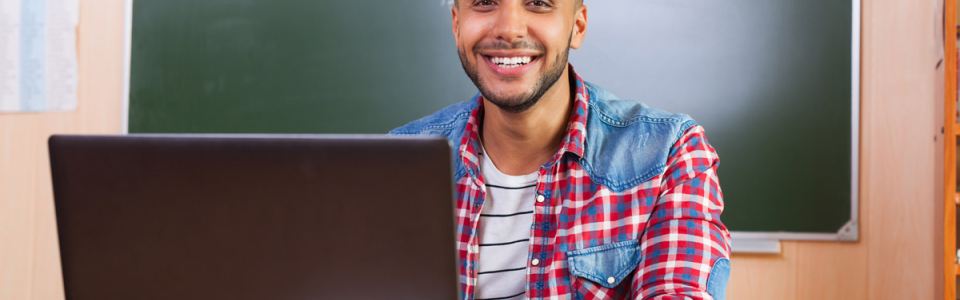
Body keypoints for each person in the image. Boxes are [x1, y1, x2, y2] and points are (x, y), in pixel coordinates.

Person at [390, 0, 731, 299]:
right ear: (457, 24)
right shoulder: (397, 163)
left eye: (538, 2)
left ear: (577, 26)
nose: (509, 29)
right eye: (483, 2)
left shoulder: (670, 154)